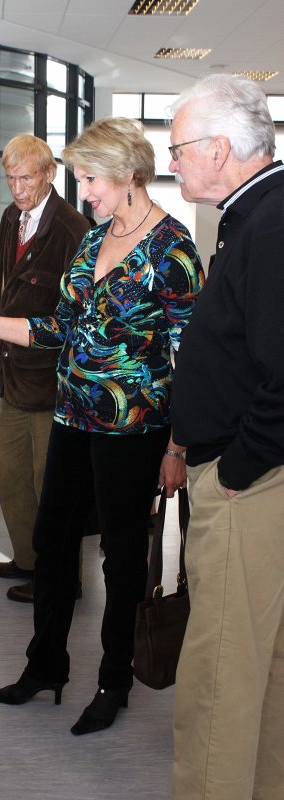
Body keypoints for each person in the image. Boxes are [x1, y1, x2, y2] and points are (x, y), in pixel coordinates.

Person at [0, 117, 204, 735]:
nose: (84, 194)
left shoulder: (174, 251)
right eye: (80, 180)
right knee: (52, 544)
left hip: (135, 431)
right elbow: (57, 329)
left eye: (90, 180)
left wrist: (180, 444)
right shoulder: (92, 242)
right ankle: (45, 666)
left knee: (121, 557)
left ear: (129, 174)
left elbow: (194, 358)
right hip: (73, 414)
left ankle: (113, 682)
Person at [168, 74, 284, 800]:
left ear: (218, 149)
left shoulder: (268, 227)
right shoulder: (253, 217)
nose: (170, 162)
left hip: (251, 485)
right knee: (260, 672)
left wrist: (235, 470)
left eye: (177, 149)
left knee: (218, 681)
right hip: (249, 477)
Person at [0, 134, 91, 603]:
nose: (17, 188)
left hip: (52, 381)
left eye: (26, 177)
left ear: (49, 173)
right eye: (10, 178)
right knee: (10, 472)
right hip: (12, 373)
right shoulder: (11, 218)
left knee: (49, 483)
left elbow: (78, 314)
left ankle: (59, 577)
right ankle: (28, 559)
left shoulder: (72, 228)